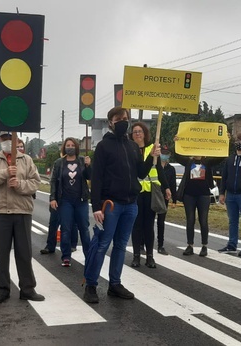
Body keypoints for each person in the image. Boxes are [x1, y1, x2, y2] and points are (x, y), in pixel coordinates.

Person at [83, 107, 158, 303]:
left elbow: (141, 173)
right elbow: (96, 178)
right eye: (119, 119)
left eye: (126, 118)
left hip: (131, 204)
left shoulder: (132, 146)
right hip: (110, 205)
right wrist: (96, 206)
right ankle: (91, 285)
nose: (123, 121)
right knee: (101, 245)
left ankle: (115, 284)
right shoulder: (103, 147)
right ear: (110, 122)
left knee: (121, 246)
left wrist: (151, 156)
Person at [0, 135, 44, 303]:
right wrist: (4, 173)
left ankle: (28, 289)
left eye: (11, 138)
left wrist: (20, 184)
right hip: (0, 211)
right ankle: (3, 289)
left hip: (22, 210)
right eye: (4, 138)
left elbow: (35, 182)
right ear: (0, 141)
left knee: (24, 252)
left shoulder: (26, 159)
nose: (8, 141)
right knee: (1, 253)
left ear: (17, 141)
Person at [172, 137, 224, 257]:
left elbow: (221, 157)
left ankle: (204, 246)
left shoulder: (207, 162)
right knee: (190, 220)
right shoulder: (188, 162)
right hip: (189, 195)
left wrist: (225, 142)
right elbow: (177, 156)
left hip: (204, 195)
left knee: (203, 220)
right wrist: (177, 143)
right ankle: (190, 245)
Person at [130, 122, 169, 268]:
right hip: (135, 192)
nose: (138, 134)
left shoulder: (152, 149)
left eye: (140, 131)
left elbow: (159, 169)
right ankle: (136, 256)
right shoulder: (130, 149)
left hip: (151, 192)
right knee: (136, 225)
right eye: (135, 132)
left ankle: (150, 257)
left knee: (148, 225)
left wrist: (166, 187)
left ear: (145, 133)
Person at [49, 137, 92, 267]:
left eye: (72, 145)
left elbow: (89, 176)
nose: (70, 147)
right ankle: (66, 256)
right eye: (68, 145)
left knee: (84, 228)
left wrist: (88, 166)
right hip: (65, 200)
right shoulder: (59, 163)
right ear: (64, 147)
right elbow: (54, 181)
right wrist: (53, 198)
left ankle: (89, 255)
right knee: (66, 228)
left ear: (76, 147)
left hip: (81, 200)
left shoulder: (82, 161)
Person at [218, 132, 241, 257]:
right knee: (232, 221)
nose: (239, 142)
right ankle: (232, 244)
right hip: (231, 194)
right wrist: (222, 193)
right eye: (237, 140)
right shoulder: (230, 159)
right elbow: (224, 177)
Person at [157, 146, 177, 255]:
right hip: (153, 195)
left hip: (164, 197)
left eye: (166, 153)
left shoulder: (171, 169)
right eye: (162, 153)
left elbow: (172, 184)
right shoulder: (154, 166)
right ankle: (142, 244)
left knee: (161, 221)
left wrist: (174, 199)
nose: (164, 155)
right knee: (148, 221)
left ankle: (161, 245)